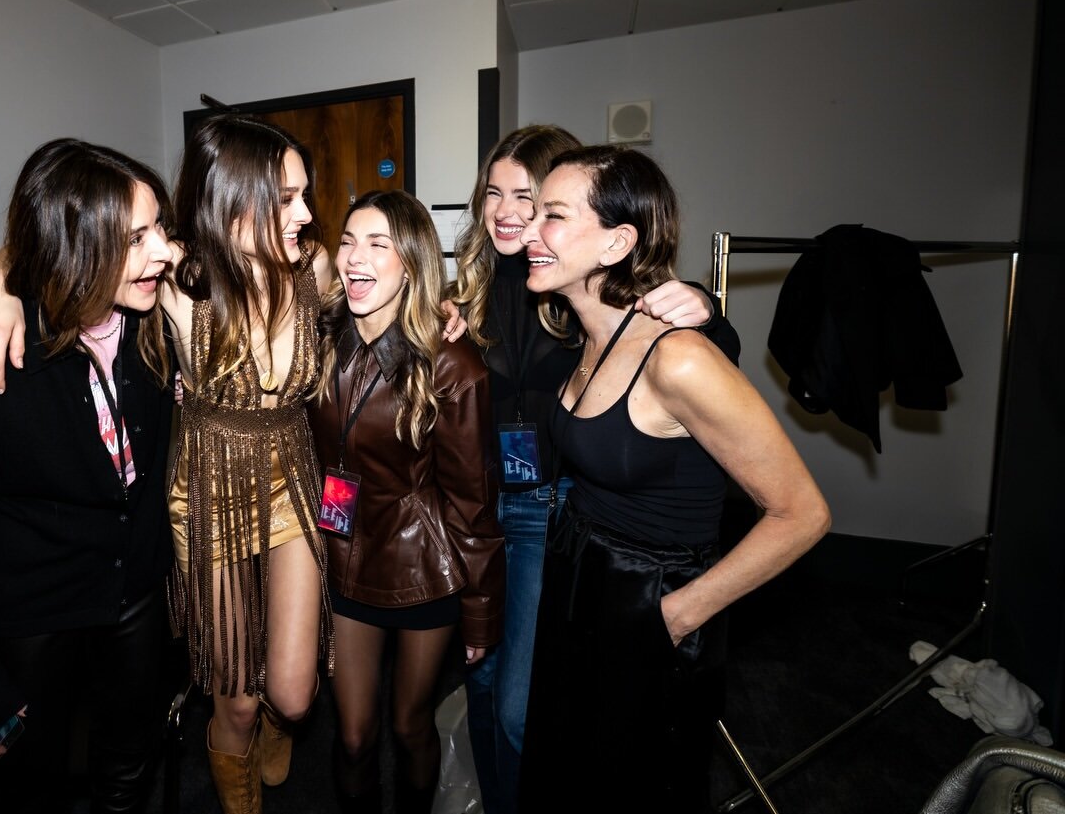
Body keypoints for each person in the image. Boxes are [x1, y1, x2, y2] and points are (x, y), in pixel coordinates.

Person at [0, 115, 333, 814]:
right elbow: (53, 240)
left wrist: (447, 312)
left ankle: (264, 728)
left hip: (258, 506)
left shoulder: (283, 274)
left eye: (304, 195)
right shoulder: (171, 284)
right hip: (189, 508)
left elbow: (372, 296)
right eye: (285, 197)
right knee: (216, 710)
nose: (305, 212)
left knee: (277, 702)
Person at [515, 145, 830, 811]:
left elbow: (802, 514)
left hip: (651, 596)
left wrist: (679, 614)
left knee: (633, 784)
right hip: (581, 581)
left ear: (617, 243)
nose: (529, 229)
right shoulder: (582, 332)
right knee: (570, 771)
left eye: (554, 215)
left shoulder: (678, 359)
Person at [450, 125, 737, 814]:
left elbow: (686, 344)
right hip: (478, 511)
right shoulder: (471, 291)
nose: (508, 212)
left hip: (548, 510)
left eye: (529, 197)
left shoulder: (574, 279)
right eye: (493, 193)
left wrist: (706, 306)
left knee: (522, 706)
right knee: (480, 686)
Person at [0, 139, 177, 813]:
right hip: (33, 614)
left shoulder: (154, 323)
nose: (164, 252)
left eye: (160, 229)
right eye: (137, 237)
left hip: (134, 597)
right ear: (76, 243)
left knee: (127, 772)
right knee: (35, 790)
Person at [309, 190, 504, 813]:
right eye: (348, 241)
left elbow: (473, 503)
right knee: (353, 735)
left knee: (410, 725)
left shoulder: (451, 365)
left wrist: (480, 611)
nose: (354, 258)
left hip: (425, 570)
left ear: (411, 263)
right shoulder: (319, 339)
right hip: (344, 554)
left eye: (377, 244)